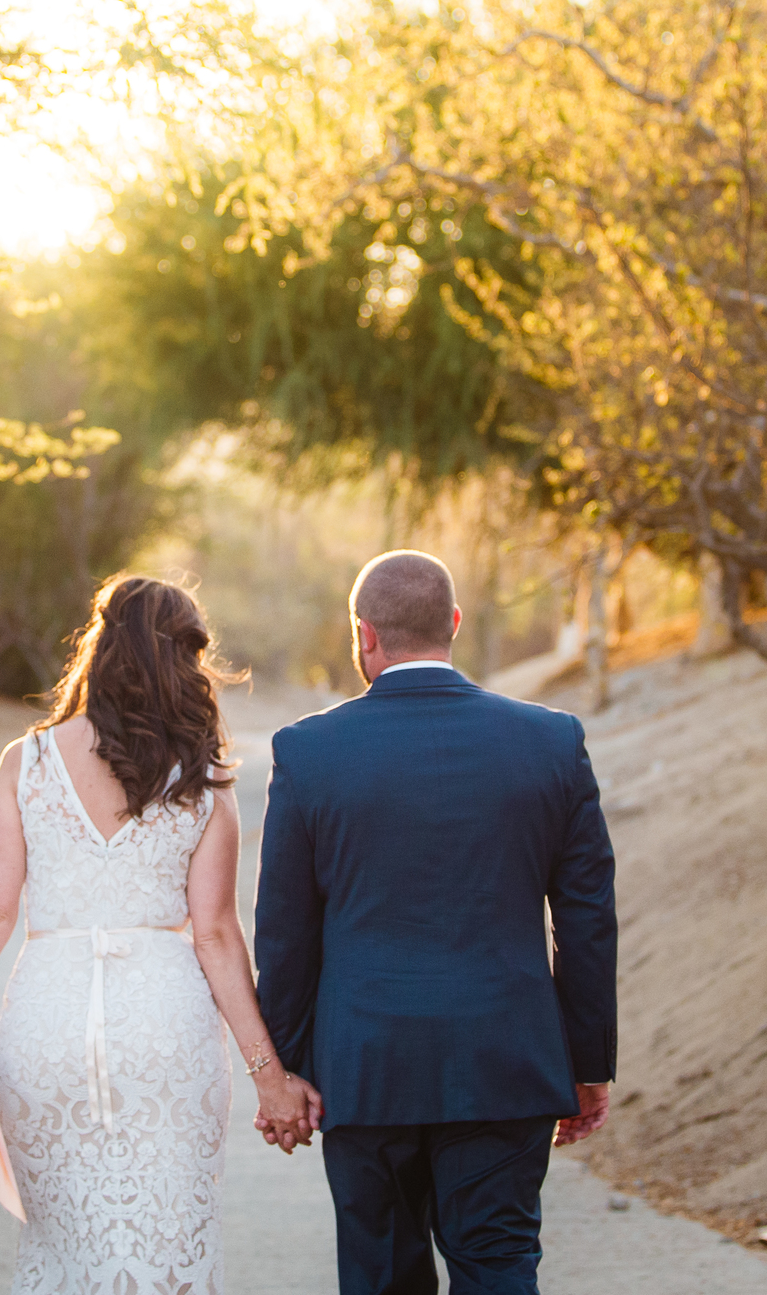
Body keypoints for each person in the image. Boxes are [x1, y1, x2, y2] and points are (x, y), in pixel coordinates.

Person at [0, 574, 325, 1293]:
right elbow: (218, 936)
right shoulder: (202, 777)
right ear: (185, 661)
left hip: (47, 1024)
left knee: (66, 1246)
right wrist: (272, 1076)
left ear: (101, 647)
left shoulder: (26, 760)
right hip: (164, 1029)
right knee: (168, 1238)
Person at [255, 550, 618, 1295]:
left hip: (366, 1069)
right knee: (499, 1265)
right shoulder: (551, 742)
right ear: (452, 623)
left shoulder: (308, 752)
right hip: (506, 1061)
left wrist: (288, 1067)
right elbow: (586, 919)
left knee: (383, 1276)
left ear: (364, 634)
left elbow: (285, 935)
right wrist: (588, 1062)